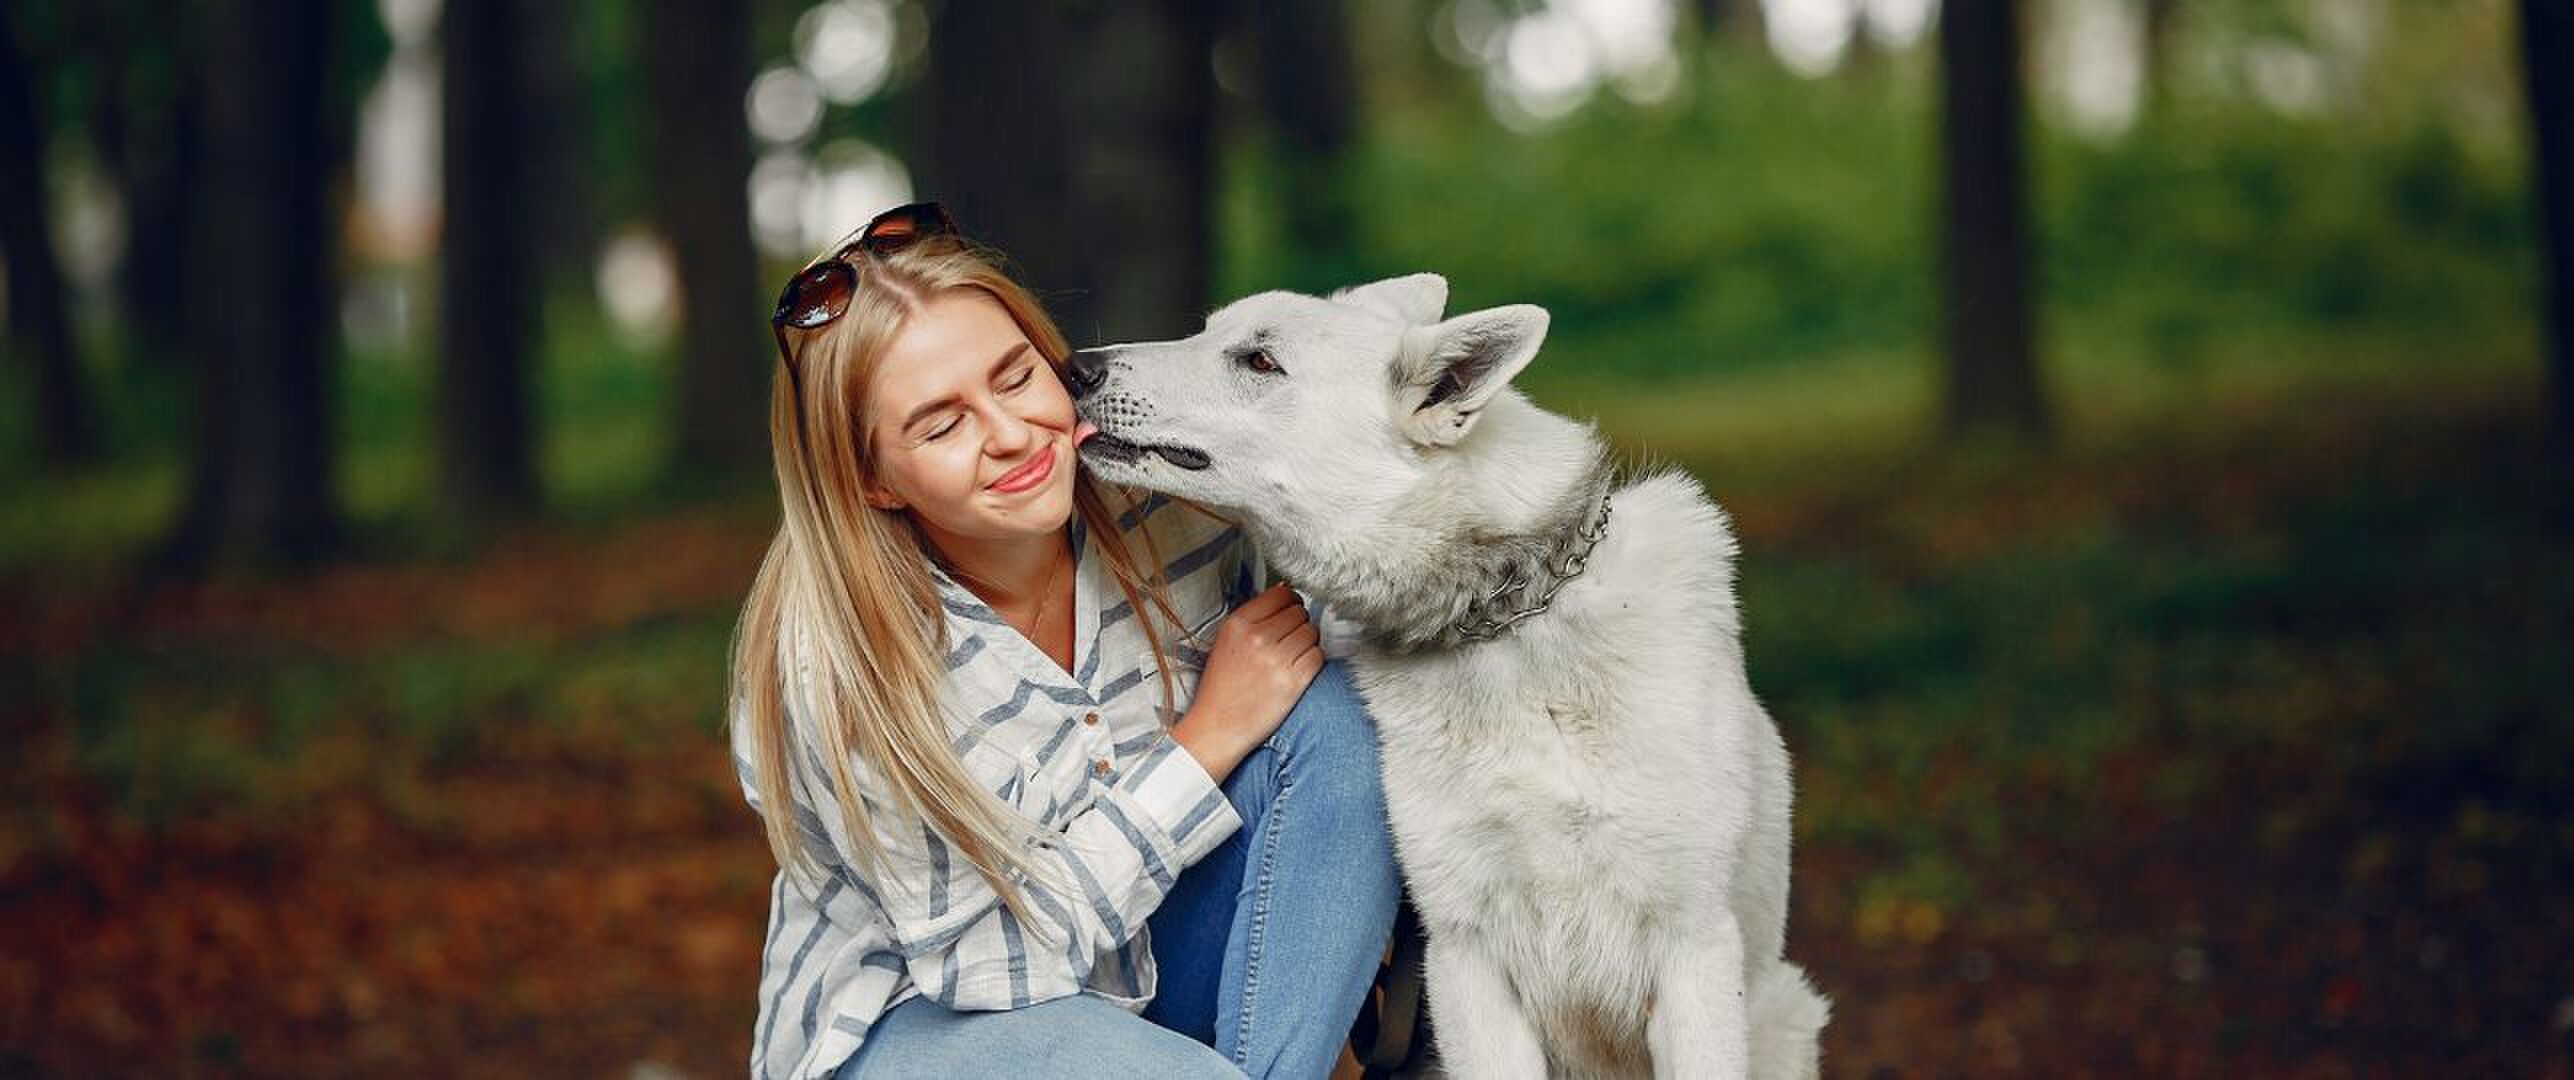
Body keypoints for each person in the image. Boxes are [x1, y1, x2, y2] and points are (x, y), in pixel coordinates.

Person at [726, 202, 1402, 1080]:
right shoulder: (835, 665)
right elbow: (985, 965)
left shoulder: (1174, 512)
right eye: (941, 425)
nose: (1011, 437)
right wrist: (1202, 746)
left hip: (1151, 953)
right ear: (875, 480)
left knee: (1334, 718)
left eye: (1015, 378)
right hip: (925, 1021)